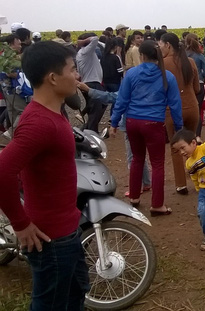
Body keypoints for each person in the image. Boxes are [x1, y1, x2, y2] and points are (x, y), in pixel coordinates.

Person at [0, 41, 90, 309]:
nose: (77, 76)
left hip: (66, 229)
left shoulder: (53, 112)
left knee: (75, 293)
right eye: (73, 70)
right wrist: (20, 223)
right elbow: (3, 170)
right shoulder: (39, 123)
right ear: (52, 78)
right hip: (51, 240)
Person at [110, 40, 183, 215]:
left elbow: (122, 100)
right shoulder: (167, 76)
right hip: (154, 123)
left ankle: (134, 197)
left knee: (137, 159)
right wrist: (179, 127)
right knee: (157, 163)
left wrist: (114, 122)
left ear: (141, 56)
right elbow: (175, 104)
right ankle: (157, 205)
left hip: (133, 122)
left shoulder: (132, 74)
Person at [159, 33, 200, 194]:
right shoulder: (190, 62)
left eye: (161, 45)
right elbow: (197, 88)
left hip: (173, 110)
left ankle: (181, 184)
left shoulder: (163, 64)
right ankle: (199, 176)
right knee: (193, 143)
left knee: (176, 147)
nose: (159, 48)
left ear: (168, 45)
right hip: (192, 107)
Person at [76, 33, 107, 132]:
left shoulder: (81, 53)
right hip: (92, 83)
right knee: (96, 110)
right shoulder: (86, 51)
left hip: (90, 83)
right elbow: (95, 39)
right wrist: (84, 41)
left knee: (100, 105)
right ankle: (91, 133)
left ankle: (87, 128)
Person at [185, 33, 205, 143]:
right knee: (198, 111)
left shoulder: (183, 55)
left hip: (185, 86)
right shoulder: (200, 56)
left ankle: (186, 135)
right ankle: (197, 136)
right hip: (199, 85)